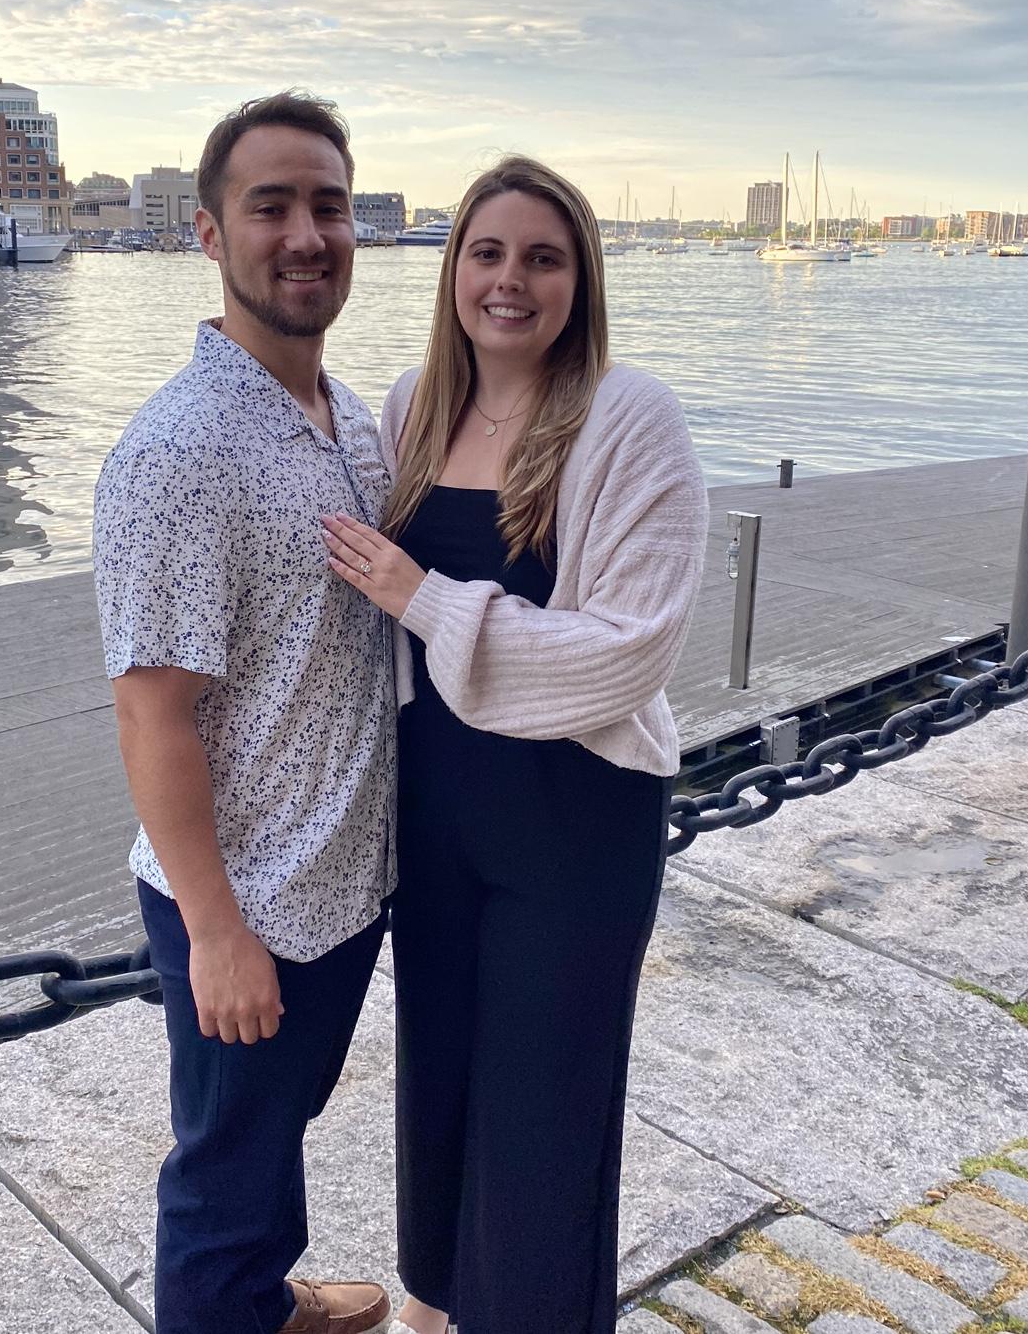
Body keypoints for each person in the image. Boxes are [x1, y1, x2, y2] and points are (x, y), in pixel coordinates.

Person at [321, 156, 708, 1334]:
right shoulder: (411, 407)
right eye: (487, 253)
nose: (510, 281)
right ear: (453, 271)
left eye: (543, 258)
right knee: (438, 1081)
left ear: (580, 282)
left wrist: (428, 598)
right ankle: (436, 1305)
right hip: (437, 808)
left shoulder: (629, 419)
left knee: (545, 1117)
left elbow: (628, 654)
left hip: (574, 817)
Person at [93, 91, 397, 1334]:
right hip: (248, 902)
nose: (306, 235)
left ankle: (268, 1306)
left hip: (338, 885)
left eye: (329, 205)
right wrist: (217, 933)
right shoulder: (179, 453)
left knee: (272, 1142)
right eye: (271, 206)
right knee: (221, 1185)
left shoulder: (349, 420)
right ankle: (236, 1304)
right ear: (211, 234)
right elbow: (151, 716)